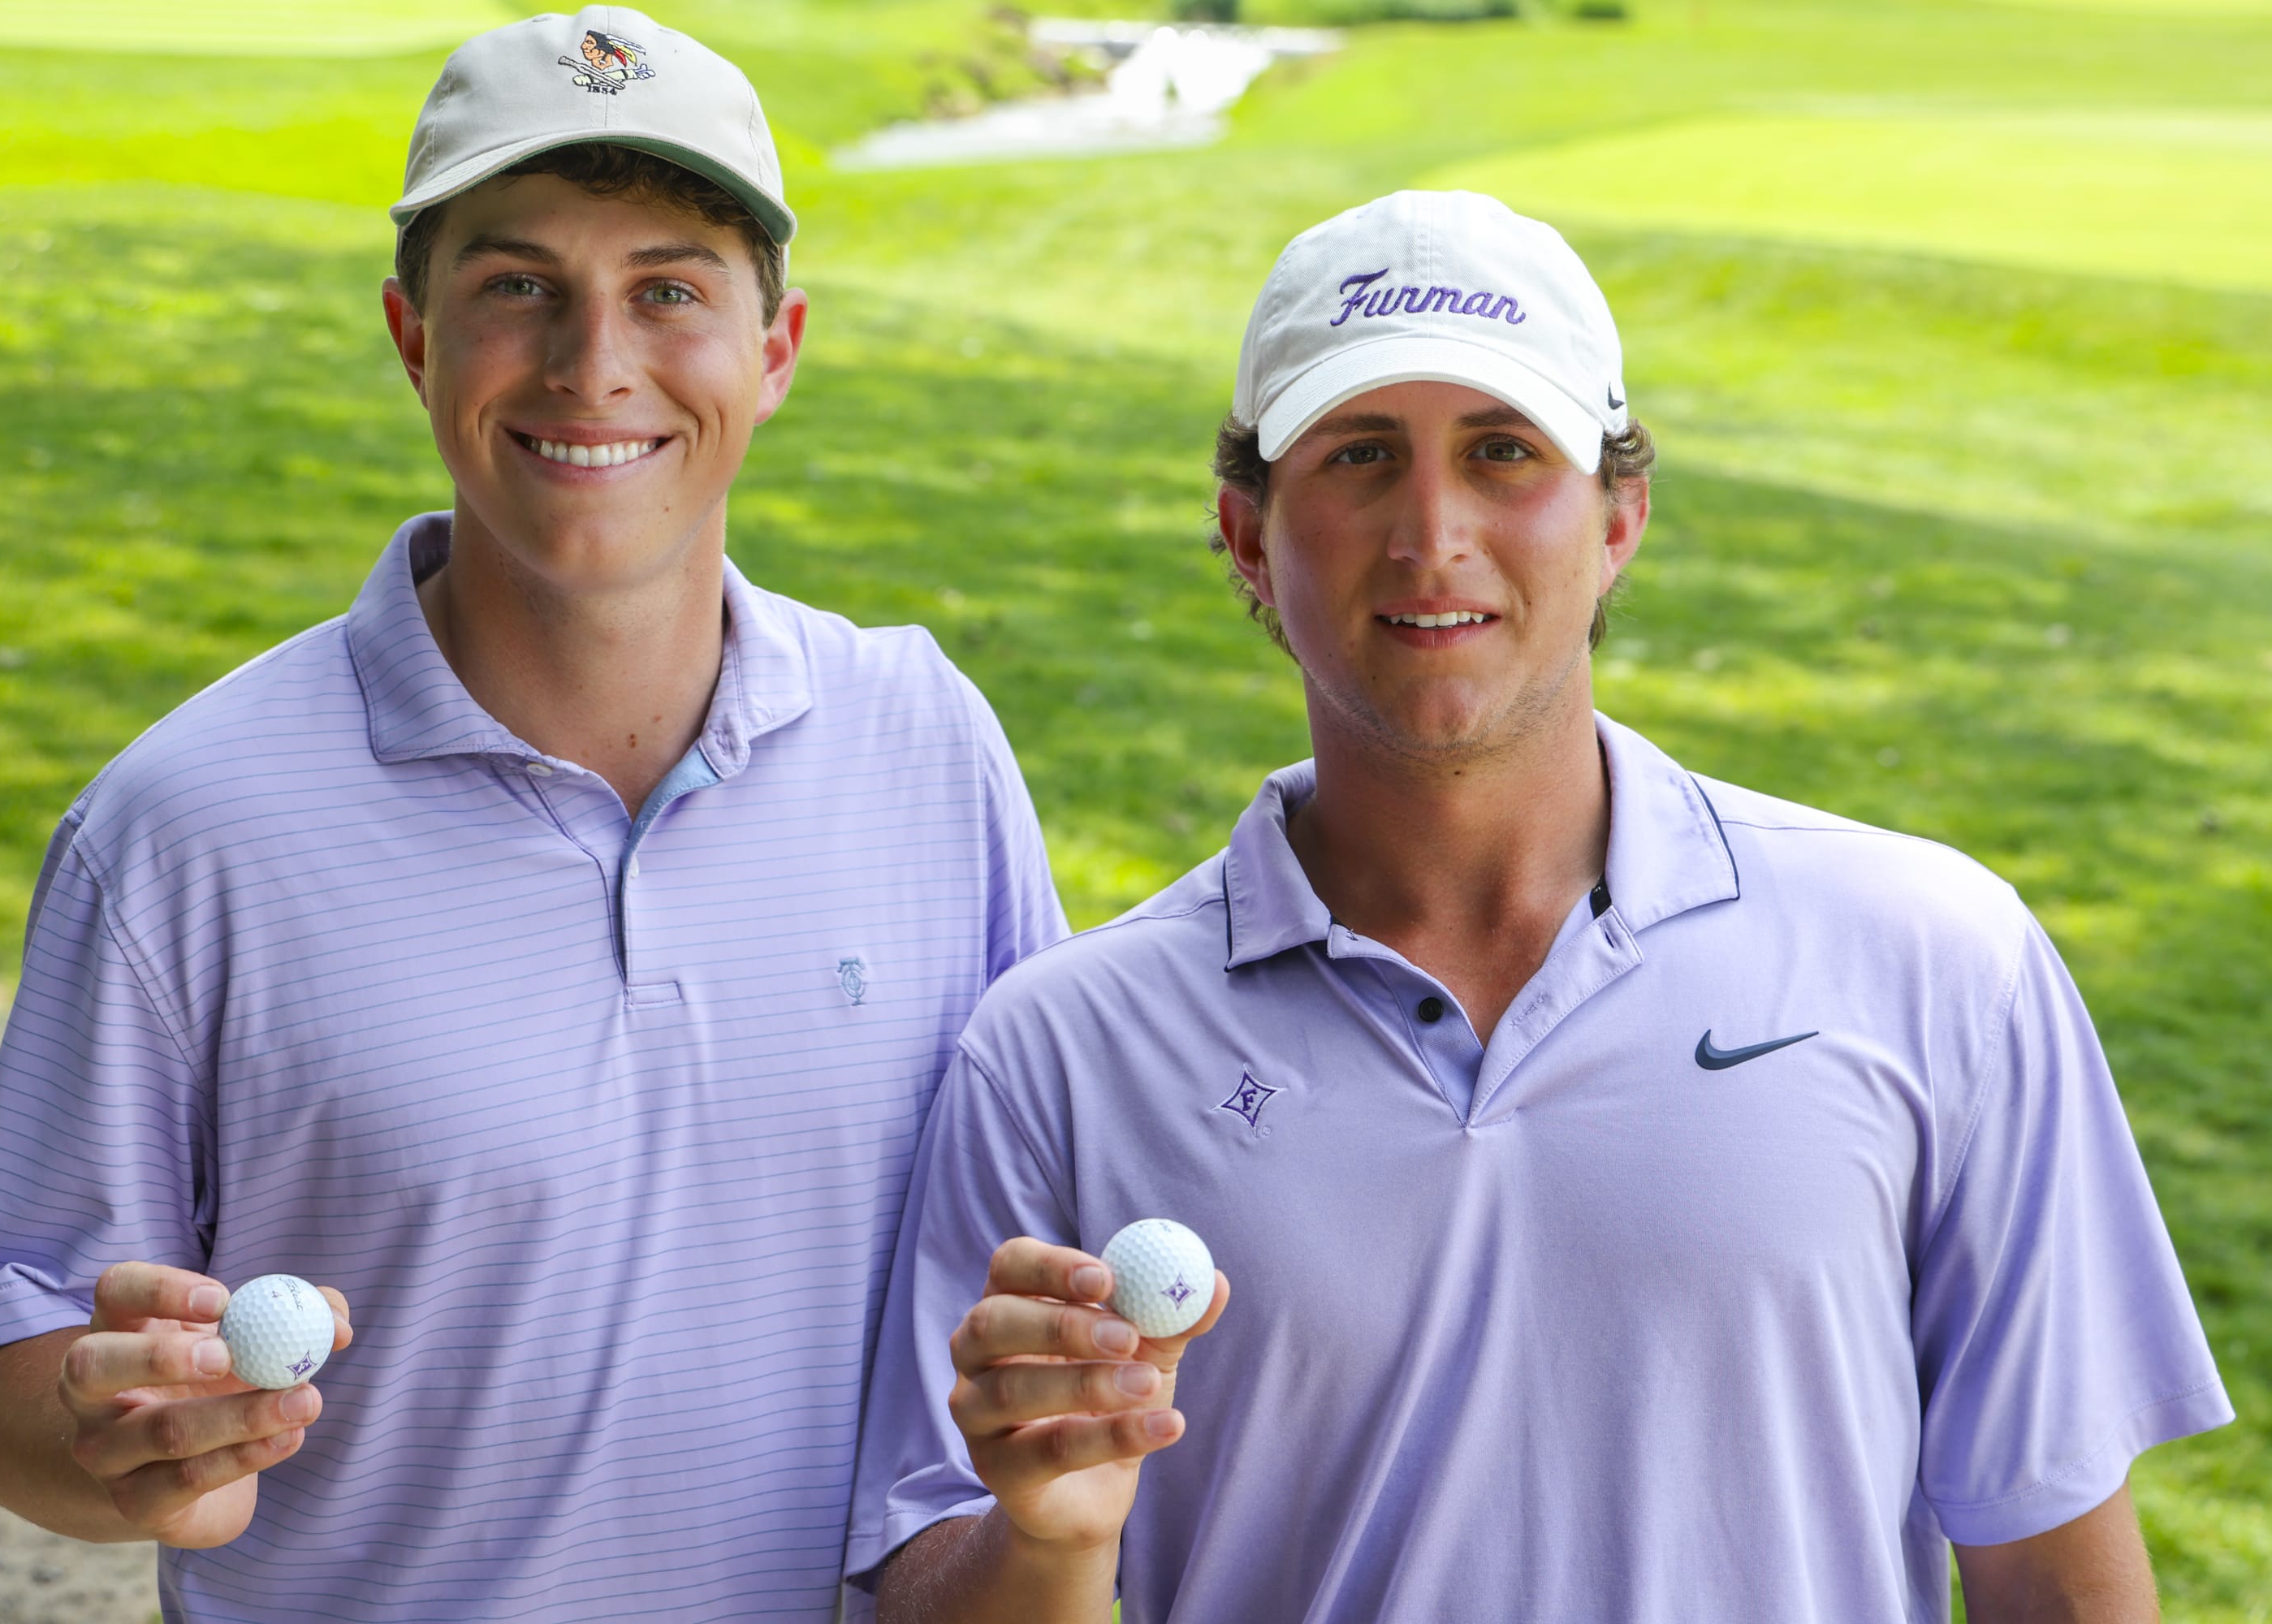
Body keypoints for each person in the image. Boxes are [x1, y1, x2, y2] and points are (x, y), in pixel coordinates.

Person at [848, 189, 2231, 1622]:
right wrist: (1055, 1544)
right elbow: (925, 1588)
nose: (1431, 532)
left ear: (1619, 517)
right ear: (1248, 536)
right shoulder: (1063, 1051)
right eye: (1362, 456)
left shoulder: (1940, 960)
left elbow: (2058, 1580)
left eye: (1503, 453)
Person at [0, 9, 1063, 1620]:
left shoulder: (928, 746)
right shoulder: (182, 827)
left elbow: (1044, 1261)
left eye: (669, 288)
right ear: (412, 336)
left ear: (779, 346)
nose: (595, 361)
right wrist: (114, 1437)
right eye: (518, 285)